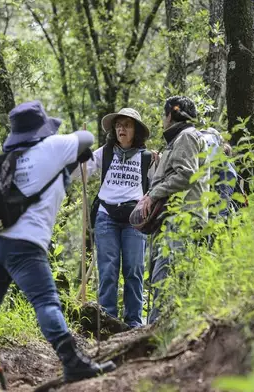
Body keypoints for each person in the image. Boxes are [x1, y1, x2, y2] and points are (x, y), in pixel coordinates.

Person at [0, 101, 115, 388]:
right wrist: (69, 148)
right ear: (41, 130)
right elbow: (86, 139)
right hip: (23, 243)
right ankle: (73, 363)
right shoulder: (51, 148)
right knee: (45, 301)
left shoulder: (6, 158)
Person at [74, 108, 153, 328]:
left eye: (127, 125)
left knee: (134, 270)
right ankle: (107, 319)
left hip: (135, 219)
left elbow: (158, 187)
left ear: (135, 130)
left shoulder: (147, 157)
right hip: (106, 215)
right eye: (118, 125)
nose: (121, 129)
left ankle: (134, 324)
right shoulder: (104, 153)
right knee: (107, 269)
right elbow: (79, 175)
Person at [139, 96, 209, 324]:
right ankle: (165, 331)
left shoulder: (186, 136)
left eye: (164, 114)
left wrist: (153, 194)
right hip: (176, 219)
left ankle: (156, 335)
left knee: (166, 277)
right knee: (169, 277)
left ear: (170, 115)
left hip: (183, 219)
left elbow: (186, 175)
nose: (162, 119)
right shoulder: (180, 138)